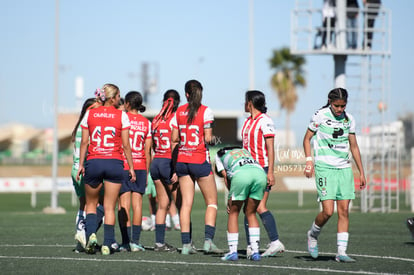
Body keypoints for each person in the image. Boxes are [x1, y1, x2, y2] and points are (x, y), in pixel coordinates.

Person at [303, 87, 366, 263]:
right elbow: (306, 139)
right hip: (324, 167)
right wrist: (309, 161)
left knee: (344, 210)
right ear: (330, 102)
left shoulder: (349, 119)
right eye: (337, 106)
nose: (340, 110)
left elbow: (354, 146)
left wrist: (361, 172)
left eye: (343, 106)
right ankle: (313, 234)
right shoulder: (320, 115)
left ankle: (341, 252)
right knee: (328, 211)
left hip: (344, 169)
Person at [76, 83, 136, 256]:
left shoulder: (90, 113)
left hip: (94, 162)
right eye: (118, 96)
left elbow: (84, 143)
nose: (120, 99)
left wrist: (81, 164)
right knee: (109, 207)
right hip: (114, 163)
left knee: (91, 205)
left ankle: (90, 236)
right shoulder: (122, 115)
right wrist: (131, 167)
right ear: (112, 97)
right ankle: (108, 244)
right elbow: (126, 145)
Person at [171, 79, 222, 255]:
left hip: (182, 162)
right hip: (199, 160)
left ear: (186, 94)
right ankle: (208, 241)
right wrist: (216, 139)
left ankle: (186, 245)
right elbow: (208, 139)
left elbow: (175, 139)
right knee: (212, 202)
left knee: (186, 205)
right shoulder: (206, 111)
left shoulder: (178, 112)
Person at [241, 90, 285, 257]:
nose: (244, 104)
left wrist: (271, 172)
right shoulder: (247, 122)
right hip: (247, 170)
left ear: (250, 103)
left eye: (246, 101)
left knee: (258, 206)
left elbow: (270, 149)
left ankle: (274, 241)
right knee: (248, 209)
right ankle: (251, 245)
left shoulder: (265, 121)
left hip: (261, 169)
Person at [215, 146, 267, 262]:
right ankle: (255, 252)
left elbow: (226, 177)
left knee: (233, 212)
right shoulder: (245, 150)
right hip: (260, 174)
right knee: (251, 213)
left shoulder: (218, 156)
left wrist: (230, 200)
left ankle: (233, 252)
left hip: (241, 175)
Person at [117, 91, 152, 252]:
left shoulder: (122, 118)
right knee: (138, 205)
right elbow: (148, 150)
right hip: (141, 166)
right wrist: (146, 171)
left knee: (123, 204)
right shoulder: (147, 123)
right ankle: (135, 242)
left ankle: (125, 242)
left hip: (124, 165)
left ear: (128, 104)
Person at [150, 89, 181, 252]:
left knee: (162, 205)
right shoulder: (176, 118)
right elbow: (175, 144)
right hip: (169, 163)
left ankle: (159, 243)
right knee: (182, 205)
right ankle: (187, 243)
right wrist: (175, 169)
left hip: (156, 162)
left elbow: (153, 146)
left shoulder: (156, 119)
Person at [71, 97, 99, 253]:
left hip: (76, 169)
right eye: (93, 109)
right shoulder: (87, 126)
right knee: (95, 206)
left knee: (85, 205)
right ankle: (84, 233)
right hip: (84, 170)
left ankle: (81, 241)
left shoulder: (79, 126)